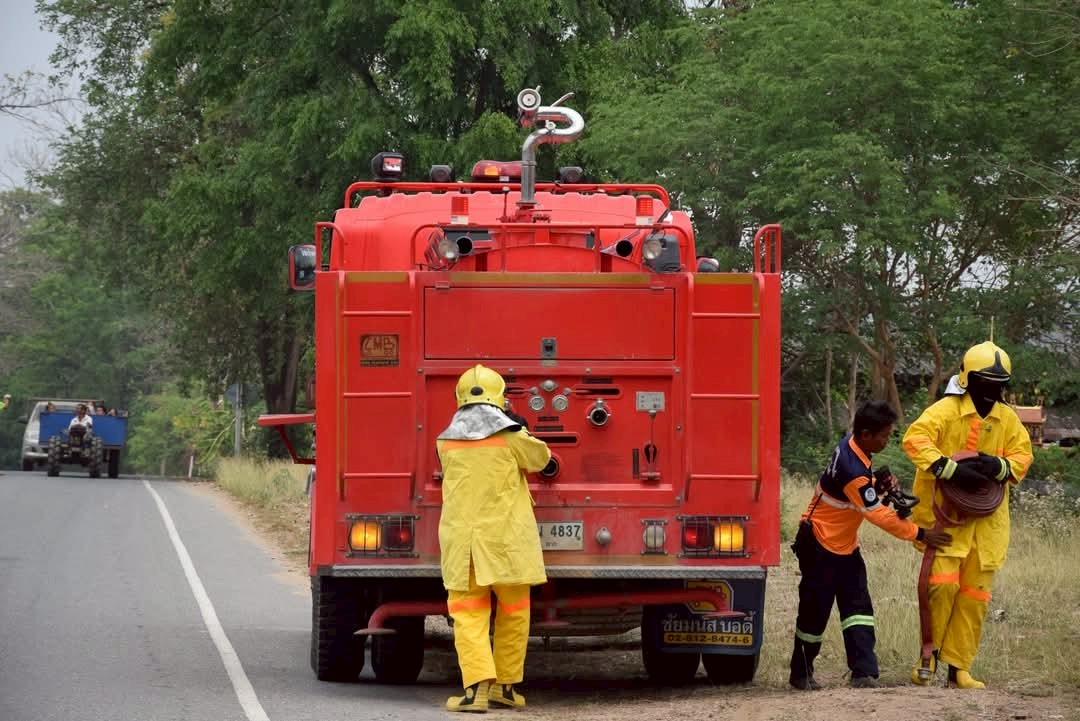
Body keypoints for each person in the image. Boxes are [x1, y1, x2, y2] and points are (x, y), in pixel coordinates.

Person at [790, 400, 951, 691]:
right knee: (814, 612)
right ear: (866, 434)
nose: (887, 441)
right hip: (820, 545)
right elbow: (877, 514)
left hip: (845, 546)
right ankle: (801, 674)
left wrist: (877, 484)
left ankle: (864, 673)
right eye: (884, 435)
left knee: (858, 609)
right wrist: (920, 534)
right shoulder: (853, 469)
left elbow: (858, 493)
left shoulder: (853, 447)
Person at [902, 341, 1033, 689]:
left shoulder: (1007, 419)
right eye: (985, 382)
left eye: (999, 384)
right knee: (941, 588)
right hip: (946, 521)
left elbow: (1022, 456)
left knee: (975, 597)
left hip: (987, 528)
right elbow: (915, 439)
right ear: (967, 379)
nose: (993, 390)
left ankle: (959, 669)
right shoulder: (945, 411)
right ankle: (928, 656)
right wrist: (950, 470)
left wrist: (999, 466)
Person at [436, 364, 551, 712]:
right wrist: (520, 426)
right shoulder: (511, 435)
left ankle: (475, 691)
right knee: (514, 613)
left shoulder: (445, 441)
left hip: (465, 546)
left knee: (469, 615)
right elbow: (541, 459)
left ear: (458, 397)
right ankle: (507, 687)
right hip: (506, 544)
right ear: (500, 397)